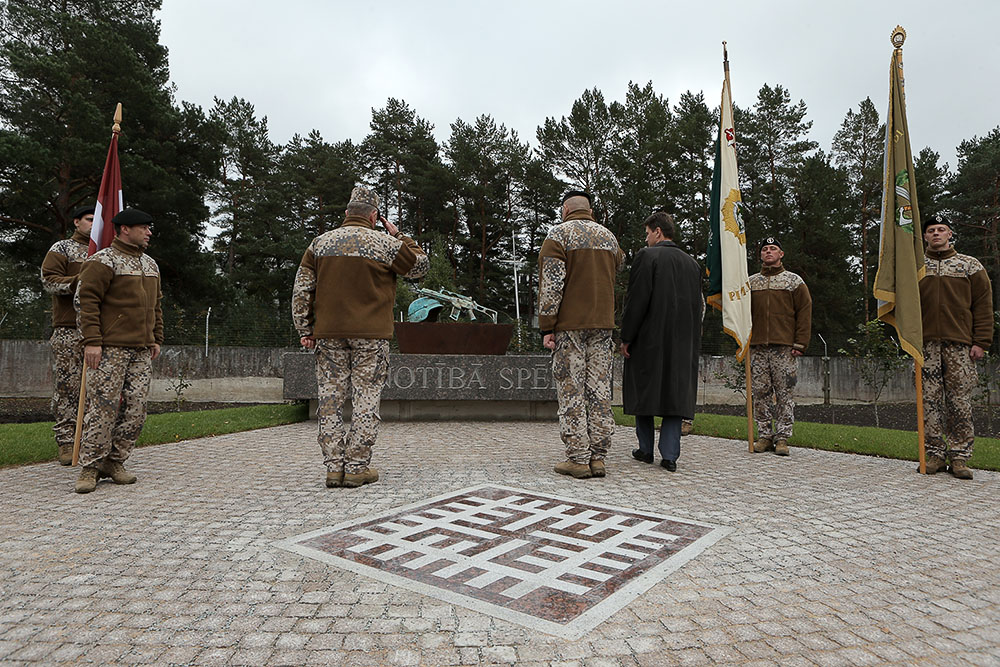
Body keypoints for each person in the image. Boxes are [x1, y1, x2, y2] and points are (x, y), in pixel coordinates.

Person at [292, 185, 428, 488]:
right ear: (374, 216)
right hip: (371, 336)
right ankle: (356, 466)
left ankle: (333, 467)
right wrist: (400, 236)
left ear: (346, 213)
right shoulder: (385, 244)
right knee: (366, 401)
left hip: (329, 335)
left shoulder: (320, 244)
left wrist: (305, 329)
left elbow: (302, 290)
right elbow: (420, 268)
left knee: (329, 401)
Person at [73, 208, 162, 493]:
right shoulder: (102, 261)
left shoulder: (150, 265)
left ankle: (114, 461)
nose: (149, 232)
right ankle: (90, 467)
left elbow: (156, 306)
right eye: (144, 227)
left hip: (141, 350)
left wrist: (156, 337)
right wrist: (92, 341)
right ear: (125, 229)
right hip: (108, 348)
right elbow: (85, 303)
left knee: (136, 408)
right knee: (102, 408)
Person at [538, 191, 624, 479]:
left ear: (565, 209)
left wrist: (547, 325)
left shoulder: (558, 236)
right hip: (603, 325)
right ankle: (598, 457)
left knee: (571, 389)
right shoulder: (609, 238)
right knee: (599, 391)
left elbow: (551, 285)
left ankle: (577, 458)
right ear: (589, 210)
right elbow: (617, 268)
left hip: (570, 326)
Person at [620, 211, 703, 472]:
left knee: (645, 389)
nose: (646, 239)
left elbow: (637, 302)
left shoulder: (647, 257)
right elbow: (697, 307)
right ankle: (670, 456)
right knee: (674, 394)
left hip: (649, 340)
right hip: (683, 343)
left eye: (647, 233)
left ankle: (645, 449)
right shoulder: (692, 264)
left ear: (657, 231)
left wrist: (626, 337)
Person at [920, 214, 993, 479]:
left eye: (941, 229)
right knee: (929, 402)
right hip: (925, 345)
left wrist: (981, 341)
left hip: (960, 346)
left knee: (959, 401)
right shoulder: (916, 267)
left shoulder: (970, 266)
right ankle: (934, 454)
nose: (936, 234)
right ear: (925, 236)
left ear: (950, 234)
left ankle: (960, 457)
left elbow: (983, 306)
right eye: (931, 230)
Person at [40, 206, 94, 465]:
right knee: (67, 387)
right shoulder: (62, 248)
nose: (94, 225)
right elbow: (49, 281)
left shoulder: (105, 253)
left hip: (99, 331)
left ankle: (91, 441)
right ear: (77, 222)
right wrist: (79, 281)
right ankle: (66, 441)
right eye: (89, 220)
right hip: (69, 329)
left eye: (98, 221)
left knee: (98, 389)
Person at [748, 236, 811, 456]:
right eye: (765, 249)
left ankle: (783, 437)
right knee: (760, 392)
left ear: (781, 254)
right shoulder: (750, 283)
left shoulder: (794, 281)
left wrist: (800, 342)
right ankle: (765, 435)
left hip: (784, 347)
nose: (768, 252)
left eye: (773, 249)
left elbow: (804, 312)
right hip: (757, 347)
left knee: (784, 393)